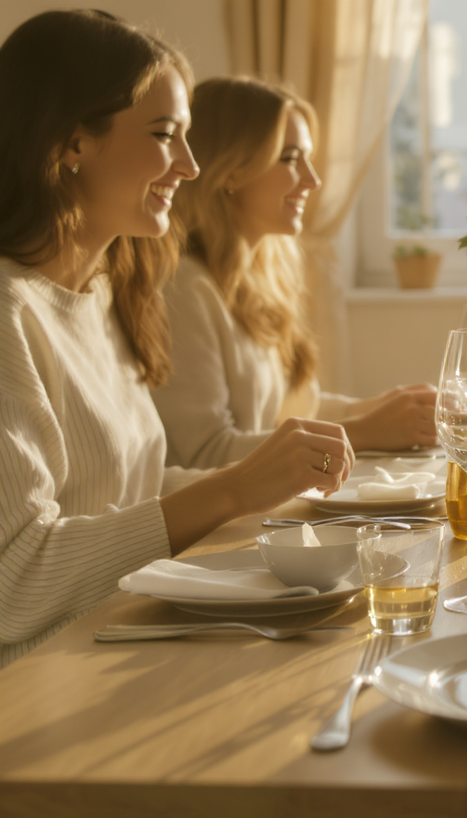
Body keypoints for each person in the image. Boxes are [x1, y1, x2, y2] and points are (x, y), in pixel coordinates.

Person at [0, 10, 354, 667]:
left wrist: (281, 485)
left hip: (124, 640)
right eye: (165, 135)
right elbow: (13, 583)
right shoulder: (9, 315)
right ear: (72, 143)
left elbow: (128, 487)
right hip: (39, 690)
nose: (189, 166)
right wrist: (233, 490)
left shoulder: (102, 293)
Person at [152, 76, 436, 470]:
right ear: (229, 169)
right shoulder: (184, 287)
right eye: (289, 158)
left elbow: (293, 411)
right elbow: (204, 455)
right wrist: (365, 430)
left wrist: (389, 408)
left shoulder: (255, 278)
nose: (312, 180)